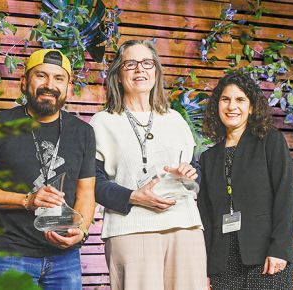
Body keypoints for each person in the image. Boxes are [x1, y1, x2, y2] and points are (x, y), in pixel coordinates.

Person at [89, 39, 207, 290]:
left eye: (146, 63)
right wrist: (132, 196)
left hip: (184, 226)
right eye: (130, 64)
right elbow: (93, 184)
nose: (139, 69)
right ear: (118, 75)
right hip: (131, 228)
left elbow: (196, 175)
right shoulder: (102, 122)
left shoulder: (175, 119)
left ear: (156, 72)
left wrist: (189, 174)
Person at [0, 49, 96, 290]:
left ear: (69, 88)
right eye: (41, 76)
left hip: (66, 256)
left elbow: (86, 192)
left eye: (59, 78)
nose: (49, 85)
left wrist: (80, 231)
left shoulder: (83, 132)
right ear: (23, 83)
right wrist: (28, 200)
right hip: (13, 255)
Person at [197, 72, 293, 290]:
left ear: (251, 107)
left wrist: (280, 249)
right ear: (217, 106)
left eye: (240, 99)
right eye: (226, 100)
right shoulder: (208, 158)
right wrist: (203, 270)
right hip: (223, 263)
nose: (232, 106)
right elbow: (205, 216)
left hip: (267, 258)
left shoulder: (270, 141)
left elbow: (285, 197)